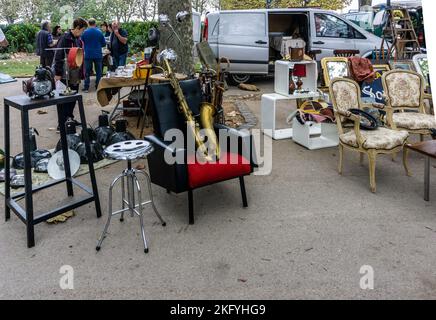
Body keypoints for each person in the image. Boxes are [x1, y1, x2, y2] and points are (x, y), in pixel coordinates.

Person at [54, 18, 88, 127]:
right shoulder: (65, 38)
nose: (82, 32)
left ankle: (70, 119)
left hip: (74, 73)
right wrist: (58, 73)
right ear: (77, 28)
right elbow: (58, 55)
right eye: (82, 30)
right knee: (63, 100)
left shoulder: (77, 39)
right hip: (64, 73)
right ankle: (62, 123)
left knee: (73, 98)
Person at [81, 18, 106, 92]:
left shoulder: (85, 32)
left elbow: (82, 42)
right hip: (98, 54)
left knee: (87, 71)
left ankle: (86, 87)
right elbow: (103, 44)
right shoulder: (99, 32)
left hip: (88, 54)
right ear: (95, 24)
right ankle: (98, 86)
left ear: (88, 24)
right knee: (99, 71)